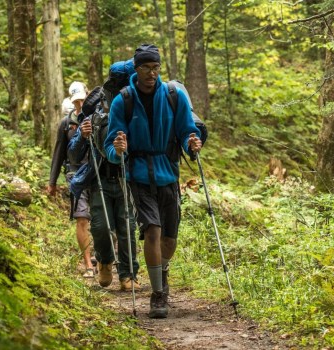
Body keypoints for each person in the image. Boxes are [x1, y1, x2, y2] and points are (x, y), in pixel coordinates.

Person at [104, 44, 202, 318]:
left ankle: (163, 270)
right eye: (146, 68)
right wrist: (118, 150)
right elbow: (111, 145)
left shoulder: (174, 96)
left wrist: (192, 142)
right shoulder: (122, 101)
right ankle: (158, 295)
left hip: (168, 173)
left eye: (155, 67)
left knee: (169, 238)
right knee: (153, 231)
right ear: (136, 69)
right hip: (137, 175)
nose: (151, 73)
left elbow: (186, 130)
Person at [68, 93, 141, 291]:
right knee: (100, 226)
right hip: (100, 180)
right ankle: (105, 262)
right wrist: (82, 136)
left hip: (125, 179)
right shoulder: (92, 119)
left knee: (127, 226)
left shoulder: (132, 116)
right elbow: (73, 155)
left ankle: (128, 273)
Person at [47, 81, 95, 278]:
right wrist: (52, 182)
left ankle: (102, 258)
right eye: (76, 102)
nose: (79, 105)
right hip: (74, 175)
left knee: (99, 219)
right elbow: (59, 153)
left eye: (82, 100)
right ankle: (88, 265)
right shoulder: (66, 123)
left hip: (96, 172)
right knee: (82, 218)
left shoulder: (98, 118)